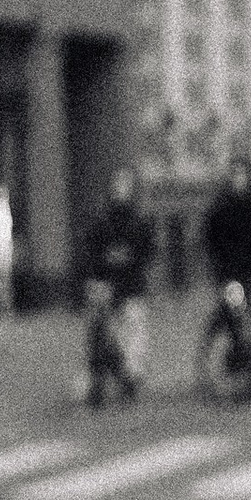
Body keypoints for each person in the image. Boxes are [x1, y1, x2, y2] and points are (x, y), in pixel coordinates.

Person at [79, 167, 155, 402]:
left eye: (125, 186)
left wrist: (130, 260)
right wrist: (101, 269)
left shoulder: (139, 221)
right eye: (117, 185)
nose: (121, 190)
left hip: (131, 286)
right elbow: (91, 251)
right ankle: (99, 378)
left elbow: (147, 252)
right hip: (106, 286)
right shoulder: (102, 222)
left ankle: (129, 378)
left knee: (133, 333)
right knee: (101, 333)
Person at [201, 155, 251, 372]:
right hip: (231, 276)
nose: (238, 179)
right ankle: (238, 354)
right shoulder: (220, 209)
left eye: (242, 174)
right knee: (235, 312)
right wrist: (219, 270)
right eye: (234, 174)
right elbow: (210, 241)